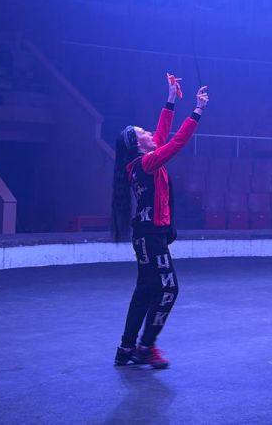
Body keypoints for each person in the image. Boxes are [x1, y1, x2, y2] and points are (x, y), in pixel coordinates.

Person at [111, 75, 209, 369]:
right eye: (143, 132)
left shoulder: (140, 163)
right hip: (151, 236)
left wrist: (171, 98)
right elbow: (176, 142)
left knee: (145, 290)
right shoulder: (146, 163)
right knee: (168, 289)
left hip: (144, 235)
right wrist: (197, 111)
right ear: (137, 144)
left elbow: (163, 135)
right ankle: (146, 346)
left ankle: (126, 348)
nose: (149, 132)